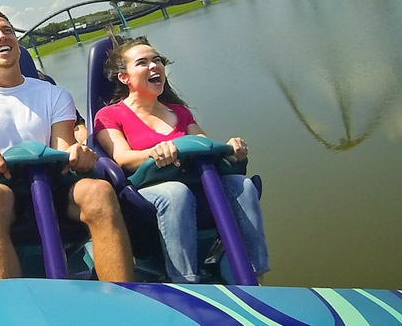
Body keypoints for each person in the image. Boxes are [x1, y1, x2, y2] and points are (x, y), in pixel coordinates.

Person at [0, 9, 133, 282]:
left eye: (7, 31)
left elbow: (62, 148)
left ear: (17, 44)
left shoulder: (54, 95)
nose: (1, 36)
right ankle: (8, 301)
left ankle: (122, 296)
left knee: (98, 190)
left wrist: (76, 153)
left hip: (53, 185)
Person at [92, 35, 269, 283]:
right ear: (125, 78)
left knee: (243, 186)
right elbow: (122, 158)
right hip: (147, 188)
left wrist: (231, 149)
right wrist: (153, 153)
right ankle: (186, 282)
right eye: (142, 63)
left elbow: (203, 145)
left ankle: (255, 274)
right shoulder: (110, 115)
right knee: (176, 193)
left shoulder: (179, 112)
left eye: (157, 60)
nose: (154, 66)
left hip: (195, 179)